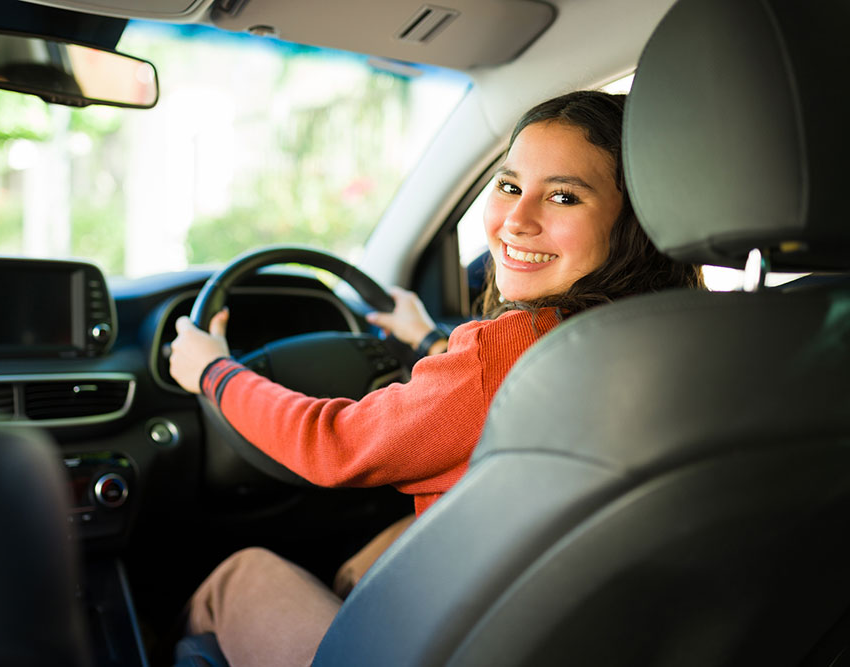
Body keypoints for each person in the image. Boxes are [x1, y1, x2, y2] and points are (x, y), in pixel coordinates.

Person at [168, 90, 703, 667]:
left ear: (634, 220)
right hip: (565, 625)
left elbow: (332, 442)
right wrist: (429, 342)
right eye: (508, 185)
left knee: (236, 576)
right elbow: (496, 392)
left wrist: (213, 372)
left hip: (468, 637)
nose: (518, 220)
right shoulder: (679, 333)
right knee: (357, 570)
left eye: (564, 196)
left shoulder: (504, 351)